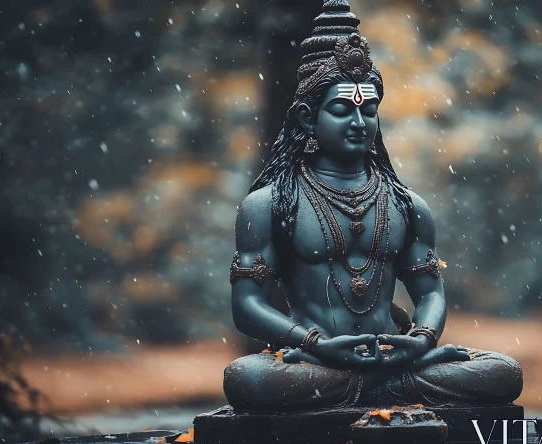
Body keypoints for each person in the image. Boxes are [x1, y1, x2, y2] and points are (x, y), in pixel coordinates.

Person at [224, 0, 522, 412]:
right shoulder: (270, 204)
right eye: (343, 109)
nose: (359, 122)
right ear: (308, 118)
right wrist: (317, 344)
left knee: (504, 371)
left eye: (369, 109)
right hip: (315, 360)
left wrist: (419, 341)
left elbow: (430, 293)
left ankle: (376, 386)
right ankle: (375, 388)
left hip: (397, 360)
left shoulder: (405, 204)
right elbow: (247, 306)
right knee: (247, 379)